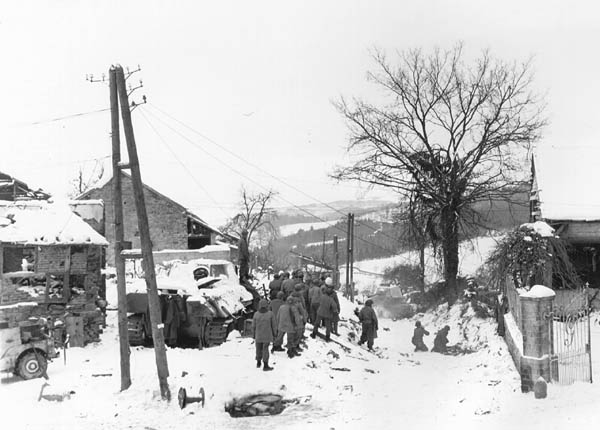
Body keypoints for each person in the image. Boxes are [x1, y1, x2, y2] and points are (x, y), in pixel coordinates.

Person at [252, 299, 276, 371]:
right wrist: (275, 334)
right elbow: (274, 325)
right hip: (267, 335)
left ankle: (258, 362)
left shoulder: (256, 314)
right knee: (265, 349)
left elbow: (253, 326)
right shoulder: (270, 314)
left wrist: (253, 335)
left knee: (258, 348)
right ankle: (265, 365)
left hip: (258, 335)